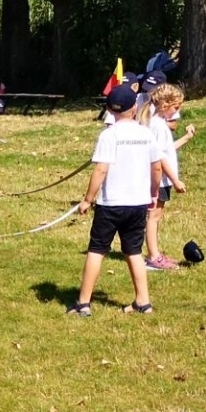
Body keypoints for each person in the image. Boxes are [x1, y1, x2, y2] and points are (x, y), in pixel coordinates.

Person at [69, 86, 176, 316]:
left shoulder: (109, 135)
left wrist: (87, 200)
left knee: (97, 250)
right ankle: (143, 302)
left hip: (110, 204)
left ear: (109, 109)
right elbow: (157, 167)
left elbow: (100, 170)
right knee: (134, 252)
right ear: (135, 108)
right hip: (137, 204)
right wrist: (154, 193)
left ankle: (83, 303)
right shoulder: (146, 134)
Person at [140, 83, 195, 270]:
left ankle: (154, 254)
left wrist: (186, 138)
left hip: (161, 179)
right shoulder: (159, 126)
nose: (177, 112)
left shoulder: (156, 123)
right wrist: (175, 180)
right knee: (153, 217)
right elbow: (160, 157)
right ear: (164, 105)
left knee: (155, 216)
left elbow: (166, 149)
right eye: (176, 108)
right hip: (159, 179)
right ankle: (153, 257)